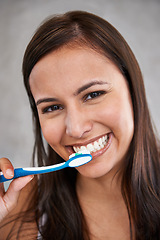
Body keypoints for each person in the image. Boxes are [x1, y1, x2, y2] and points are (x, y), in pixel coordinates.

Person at [0, 10, 160, 240]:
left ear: (133, 90)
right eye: (52, 107)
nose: (75, 128)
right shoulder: (21, 210)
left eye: (93, 94)